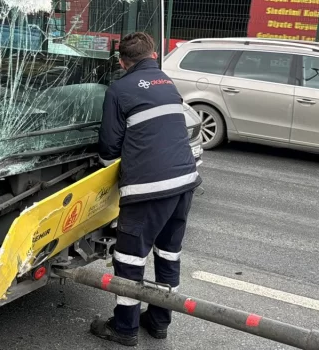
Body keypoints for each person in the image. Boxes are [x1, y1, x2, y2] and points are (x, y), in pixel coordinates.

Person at [90, 32, 202, 346]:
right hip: (185, 183)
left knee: (129, 259)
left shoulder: (119, 88)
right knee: (168, 254)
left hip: (149, 189)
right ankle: (158, 322)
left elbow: (109, 149)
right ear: (154, 56)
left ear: (122, 62)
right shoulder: (167, 83)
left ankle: (124, 329)